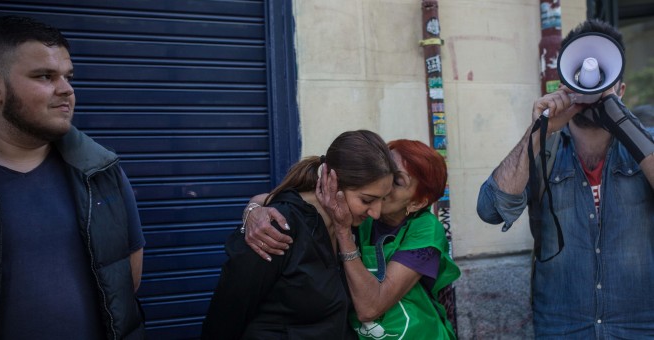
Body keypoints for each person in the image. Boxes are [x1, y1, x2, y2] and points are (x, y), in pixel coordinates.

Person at [476, 19, 654, 338]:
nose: (593, 92)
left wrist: (620, 120)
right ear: (564, 86)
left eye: (605, 84)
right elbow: (490, 210)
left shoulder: (646, 145)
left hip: (640, 325)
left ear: (621, 90)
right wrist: (539, 131)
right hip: (562, 327)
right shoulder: (546, 147)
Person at [0, 16, 145, 339]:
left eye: (68, 76)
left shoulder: (101, 173)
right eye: (45, 76)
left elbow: (125, 281)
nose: (66, 90)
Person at [243, 139, 460, 339]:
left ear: (417, 203)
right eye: (386, 171)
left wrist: (343, 232)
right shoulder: (361, 207)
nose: (384, 183)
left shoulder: (425, 229)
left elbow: (370, 308)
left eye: (397, 181)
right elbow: (285, 201)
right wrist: (253, 210)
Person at [201, 130, 397, 339]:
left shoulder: (348, 225)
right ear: (332, 182)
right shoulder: (276, 227)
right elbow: (226, 316)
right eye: (367, 200)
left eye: (382, 199)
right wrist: (253, 209)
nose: (376, 213)